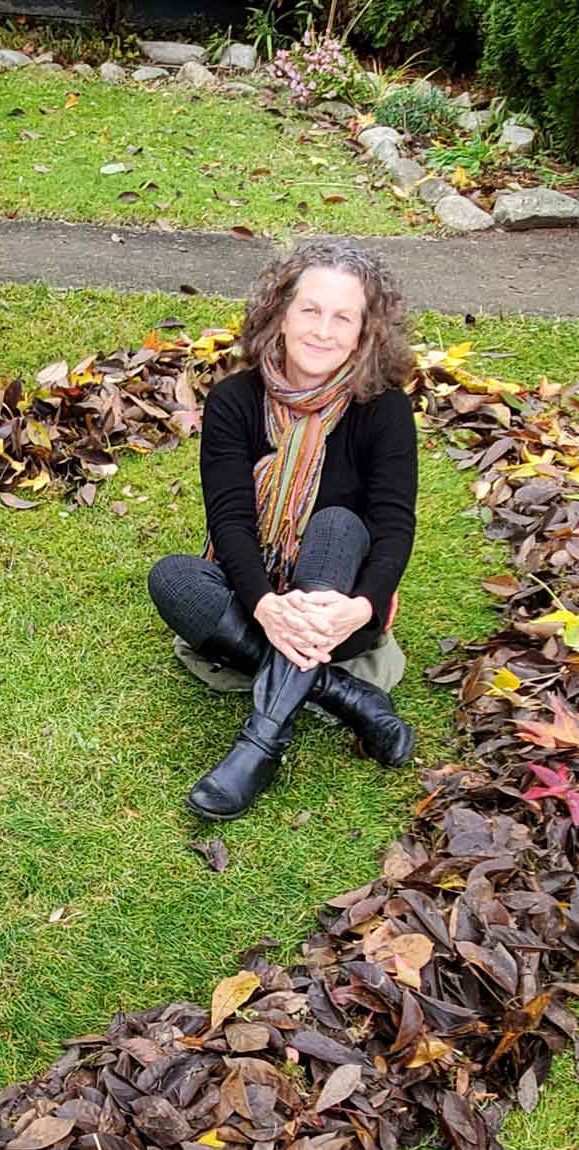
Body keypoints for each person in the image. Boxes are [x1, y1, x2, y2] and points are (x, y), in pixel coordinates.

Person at [148, 241, 419, 821]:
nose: (324, 330)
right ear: (281, 314)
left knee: (340, 524)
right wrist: (267, 605)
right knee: (173, 578)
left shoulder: (386, 410)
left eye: (343, 316)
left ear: (365, 332)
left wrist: (363, 608)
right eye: (310, 310)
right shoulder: (233, 401)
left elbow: (394, 527)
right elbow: (230, 521)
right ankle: (345, 695)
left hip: (337, 616)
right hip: (258, 598)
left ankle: (259, 745)